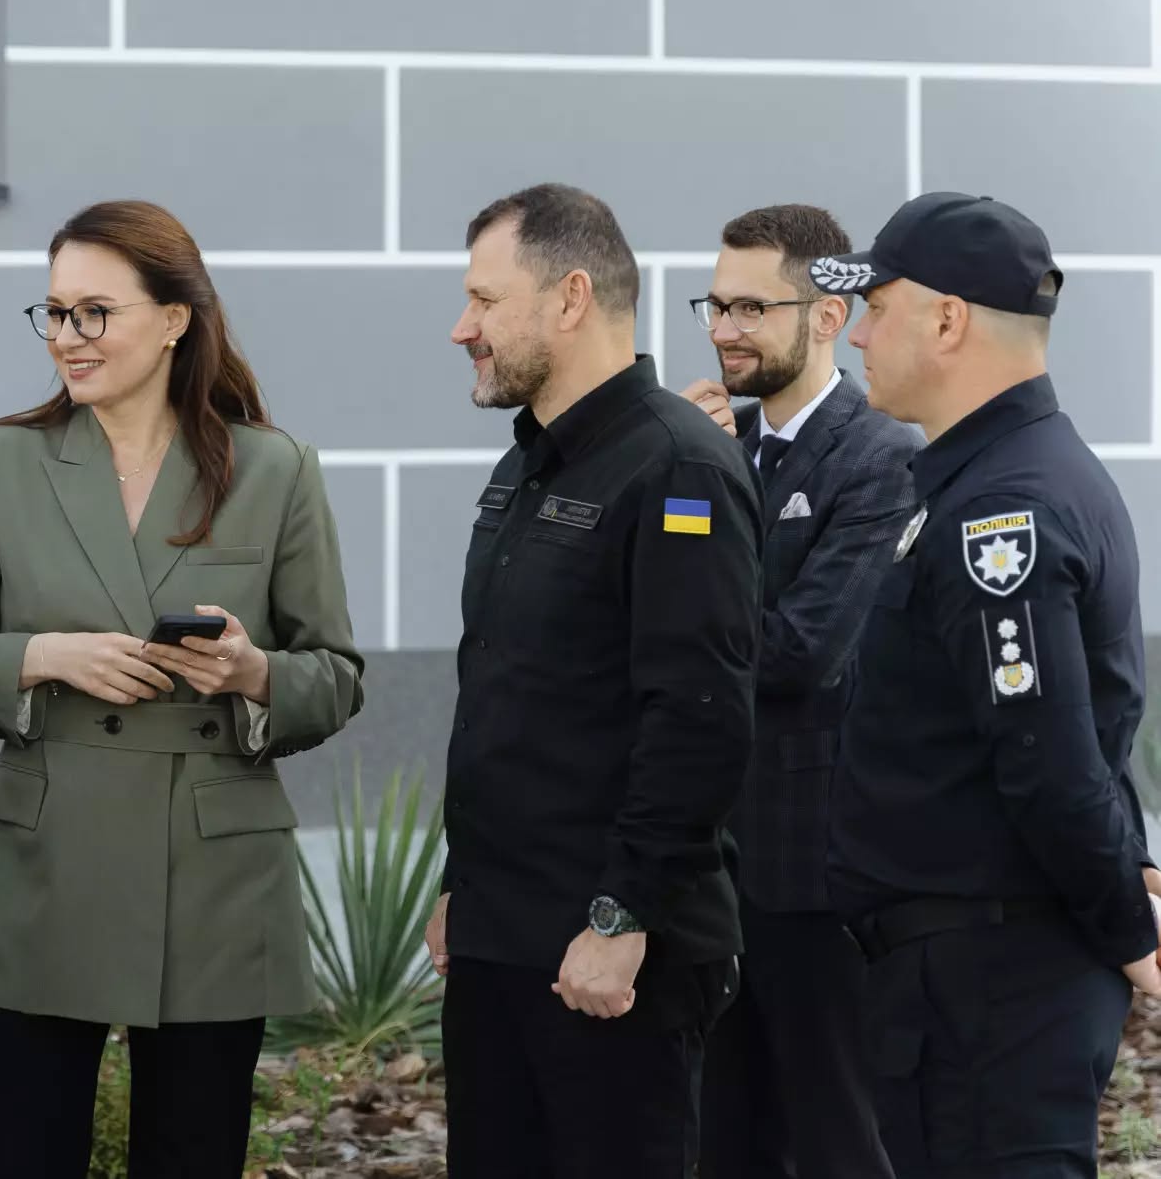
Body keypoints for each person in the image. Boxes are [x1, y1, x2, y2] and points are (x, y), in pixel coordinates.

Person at [0, 199, 363, 1179]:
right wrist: (42, 655)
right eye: (55, 312)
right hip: (47, 859)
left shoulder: (273, 469)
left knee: (192, 1152)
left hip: (213, 871)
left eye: (94, 312)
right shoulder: (6, 459)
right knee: (13, 1153)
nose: (67, 336)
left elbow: (335, 676)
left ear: (174, 319)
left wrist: (252, 672)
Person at [815, 192, 1161, 1179]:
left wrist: (1124, 923)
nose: (857, 335)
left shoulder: (1000, 508)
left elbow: (1046, 754)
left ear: (947, 321)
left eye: (877, 308)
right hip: (975, 977)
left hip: (988, 989)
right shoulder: (1002, 475)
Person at [426, 183, 759, 1178]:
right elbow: (514, 698)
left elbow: (697, 716)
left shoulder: (676, 466)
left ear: (570, 298)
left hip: (611, 954)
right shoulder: (528, 465)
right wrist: (461, 888)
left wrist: (623, 916)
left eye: (485, 300)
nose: (462, 328)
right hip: (502, 937)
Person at [676, 204, 914, 1179]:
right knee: (718, 1138)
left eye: (751, 307)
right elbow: (654, 612)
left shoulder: (880, 456)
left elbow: (799, 653)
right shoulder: (707, 446)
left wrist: (713, 479)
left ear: (825, 317)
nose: (724, 329)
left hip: (814, 872)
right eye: (715, 305)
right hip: (704, 865)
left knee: (833, 1136)